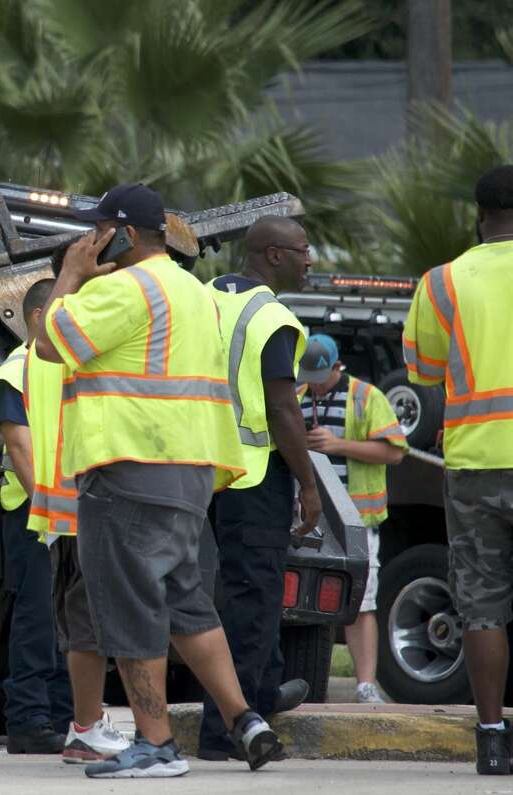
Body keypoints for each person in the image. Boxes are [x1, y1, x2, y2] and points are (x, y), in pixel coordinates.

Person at [37, 183, 281, 778]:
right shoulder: (192, 290)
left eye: (99, 230)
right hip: (189, 470)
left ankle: (156, 744)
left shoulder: (127, 288)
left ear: (124, 233)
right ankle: (244, 718)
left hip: (130, 467)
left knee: (129, 604)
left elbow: (46, 342)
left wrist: (70, 275)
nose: (90, 240)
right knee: (183, 600)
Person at [198, 215, 321, 762]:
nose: (310, 258)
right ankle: (228, 727)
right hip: (251, 474)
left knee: (232, 595)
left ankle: (264, 691)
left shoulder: (204, 297)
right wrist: (309, 486)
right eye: (302, 249)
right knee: (252, 598)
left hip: (197, 467)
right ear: (272, 256)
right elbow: (283, 410)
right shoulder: (272, 317)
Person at [403, 165, 513, 776]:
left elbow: (422, 372)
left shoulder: (443, 282)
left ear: (479, 216)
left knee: (483, 605)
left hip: (475, 464)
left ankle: (492, 738)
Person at [26, 249, 130, 765]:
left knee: (80, 622)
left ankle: (88, 723)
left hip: (63, 504)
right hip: (87, 499)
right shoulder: (77, 332)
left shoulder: (42, 342)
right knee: (96, 621)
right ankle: (88, 727)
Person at [0, 277, 74, 754]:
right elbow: (20, 447)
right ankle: (28, 720)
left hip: (65, 512)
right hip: (34, 513)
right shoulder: (15, 373)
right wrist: (51, 512)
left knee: (64, 620)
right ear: (39, 317)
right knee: (38, 616)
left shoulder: (60, 368)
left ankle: (61, 716)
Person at [295, 334, 407, 704]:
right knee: (310, 601)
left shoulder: (365, 397)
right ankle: (308, 680)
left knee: (363, 602)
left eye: (320, 374)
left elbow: (393, 453)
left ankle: (365, 685)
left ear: (336, 365)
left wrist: (338, 445)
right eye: (308, 374)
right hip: (312, 520)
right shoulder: (298, 396)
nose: (314, 382)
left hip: (356, 518)